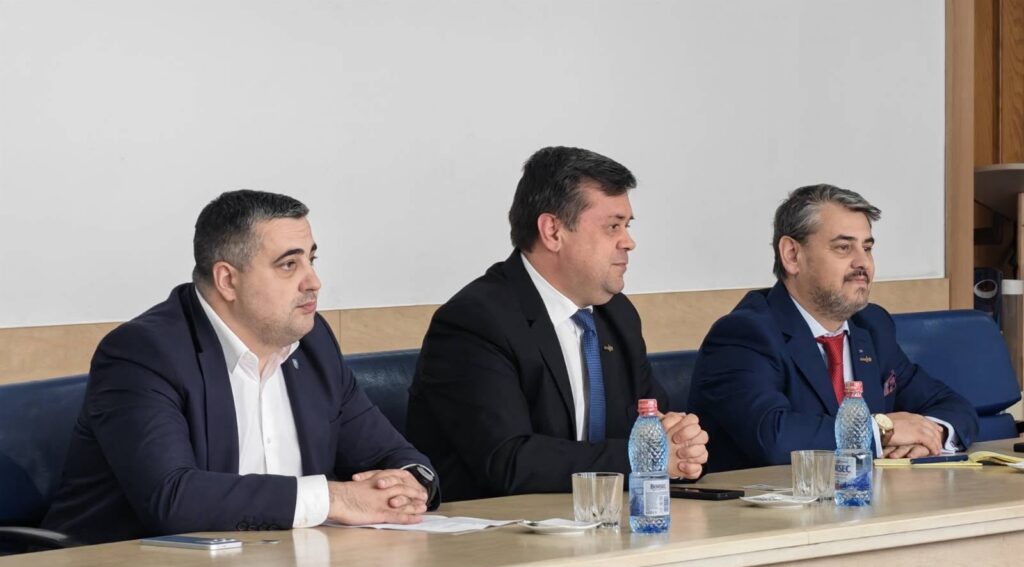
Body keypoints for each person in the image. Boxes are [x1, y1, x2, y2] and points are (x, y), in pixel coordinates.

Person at [43, 190, 439, 544]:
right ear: (228, 280)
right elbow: (172, 498)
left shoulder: (312, 343)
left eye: (312, 260)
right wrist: (334, 499)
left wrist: (407, 485)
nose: (313, 281)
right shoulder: (144, 354)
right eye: (289, 265)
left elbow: (393, 454)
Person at [406, 146, 708, 501]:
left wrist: (682, 444)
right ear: (552, 231)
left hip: (602, 525)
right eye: (613, 226)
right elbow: (509, 461)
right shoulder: (475, 321)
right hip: (497, 538)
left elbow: (654, 427)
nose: (629, 242)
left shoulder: (617, 316)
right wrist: (644, 458)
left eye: (627, 226)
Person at [689, 184, 979, 473]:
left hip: (867, 503)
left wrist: (933, 433)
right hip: (770, 512)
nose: (863, 263)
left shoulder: (871, 325)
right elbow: (774, 437)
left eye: (867, 247)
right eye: (843, 248)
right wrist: (881, 432)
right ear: (792, 255)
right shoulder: (744, 334)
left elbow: (951, 404)